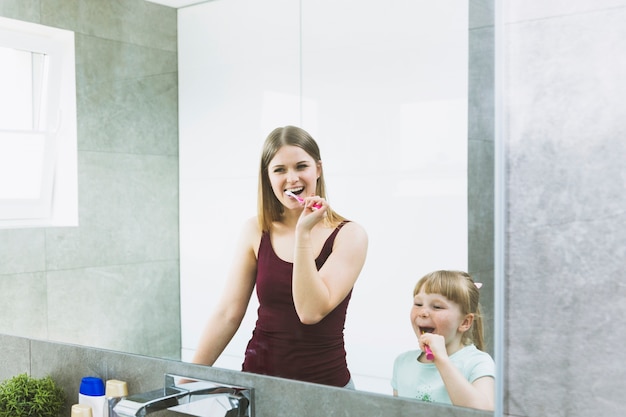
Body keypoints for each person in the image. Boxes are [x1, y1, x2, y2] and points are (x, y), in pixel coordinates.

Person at [192, 125, 368, 388]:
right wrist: (185, 378)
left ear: (317, 169)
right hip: (259, 384)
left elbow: (310, 311)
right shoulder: (256, 230)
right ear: (268, 177)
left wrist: (303, 234)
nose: (292, 178)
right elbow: (228, 313)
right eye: (279, 170)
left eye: (301, 166)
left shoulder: (350, 235)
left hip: (327, 390)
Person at [391, 270, 495, 410]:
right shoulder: (402, 363)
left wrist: (442, 360)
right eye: (418, 304)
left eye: (437, 307)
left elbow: (483, 412)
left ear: (465, 322)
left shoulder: (478, 363)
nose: (423, 312)